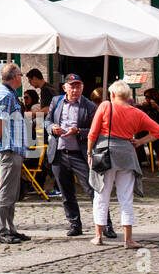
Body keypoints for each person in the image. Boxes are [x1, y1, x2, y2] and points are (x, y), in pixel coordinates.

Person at [87, 80, 159, 248]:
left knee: (101, 195)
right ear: (128, 95)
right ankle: (128, 239)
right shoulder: (137, 112)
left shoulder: (106, 106)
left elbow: (92, 133)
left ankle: (98, 236)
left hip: (105, 155)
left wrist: (89, 152)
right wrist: (139, 141)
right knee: (126, 197)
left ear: (112, 94)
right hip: (127, 156)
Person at [43, 76, 113, 239]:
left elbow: (98, 130)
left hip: (80, 154)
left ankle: (106, 224)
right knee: (66, 192)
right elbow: (46, 121)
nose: (75, 91)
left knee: (93, 190)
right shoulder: (56, 101)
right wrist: (52, 127)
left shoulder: (88, 106)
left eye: (78, 87)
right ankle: (74, 223)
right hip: (59, 153)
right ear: (64, 88)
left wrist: (80, 131)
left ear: (82, 88)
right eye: (72, 87)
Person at [0, 63, 29, 244]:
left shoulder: (8, 94)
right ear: (15, 77)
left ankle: (10, 228)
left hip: (13, 148)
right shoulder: (4, 95)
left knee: (12, 191)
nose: (22, 77)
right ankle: (1, 230)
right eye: (21, 74)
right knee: (5, 191)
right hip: (8, 148)